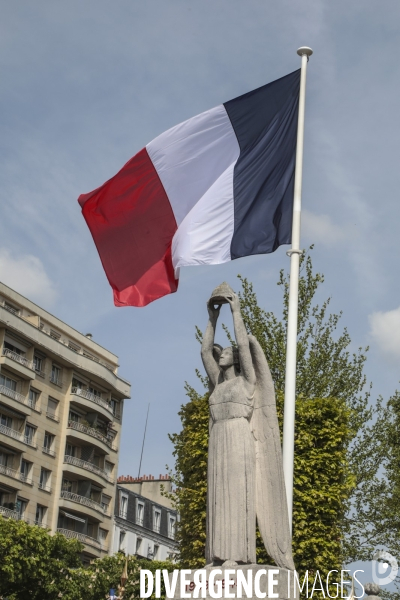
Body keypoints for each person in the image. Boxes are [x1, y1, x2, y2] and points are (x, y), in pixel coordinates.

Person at [201, 283, 294, 569]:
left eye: (228, 352)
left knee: (236, 494)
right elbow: (205, 351)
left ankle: (236, 555)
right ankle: (216, 555)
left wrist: (235, 310)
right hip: (219, 438)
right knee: (217, 498)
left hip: (240, 438)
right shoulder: (218, 382)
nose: (223, 353)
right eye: (224, 352)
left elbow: (244, 344)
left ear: (237, 360)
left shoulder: (247, 382)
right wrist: (212, 317)